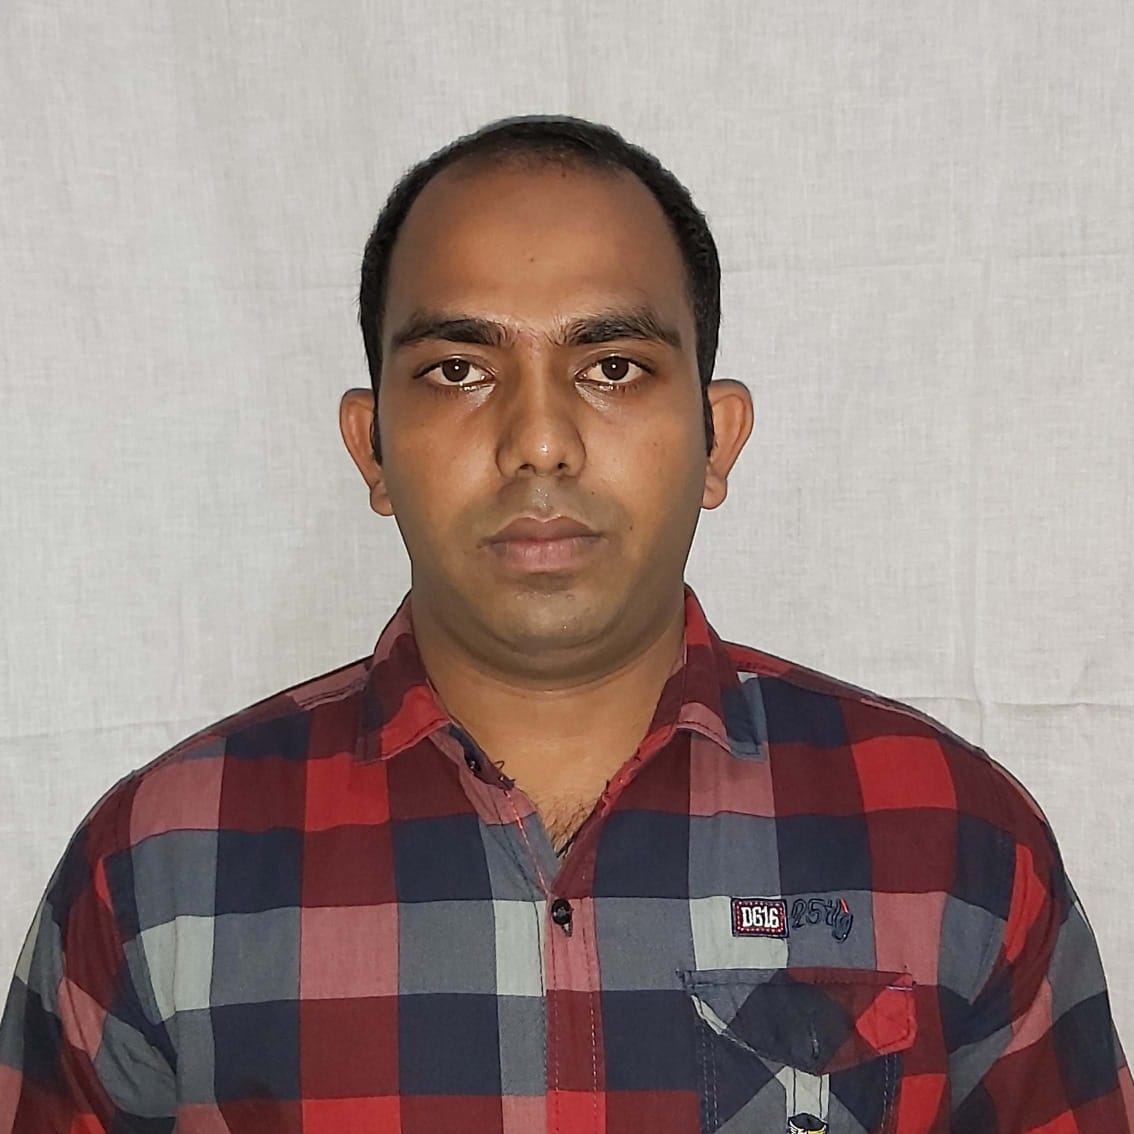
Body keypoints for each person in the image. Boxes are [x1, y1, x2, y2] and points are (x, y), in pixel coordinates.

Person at [0, 114, 1129, 1134]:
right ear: (372, 448)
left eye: (612, 367)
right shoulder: (158, 873)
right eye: (458, 369)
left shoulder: (951, 841)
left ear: (717, 438)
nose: (539, 440)